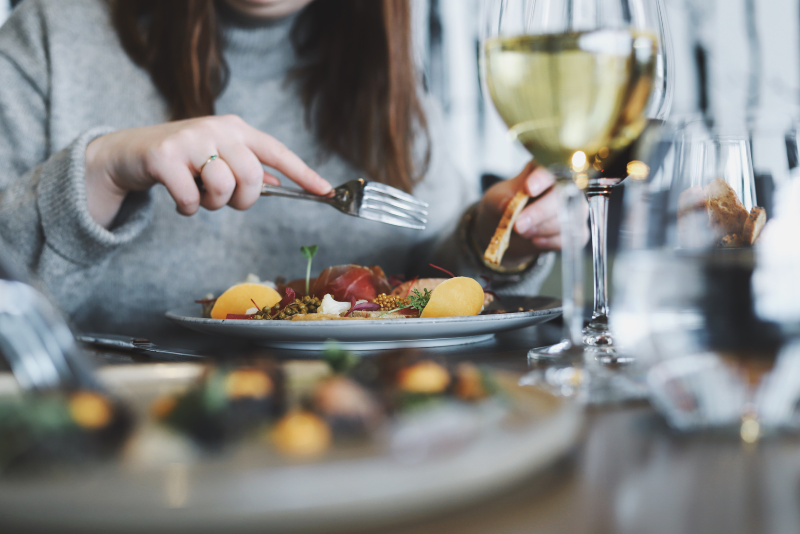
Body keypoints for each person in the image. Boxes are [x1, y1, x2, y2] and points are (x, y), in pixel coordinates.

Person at [0, 0, 587, 340]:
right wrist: (100, 173)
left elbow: (420, 289)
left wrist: (493, 237)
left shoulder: (379, 54)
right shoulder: (51, 32)